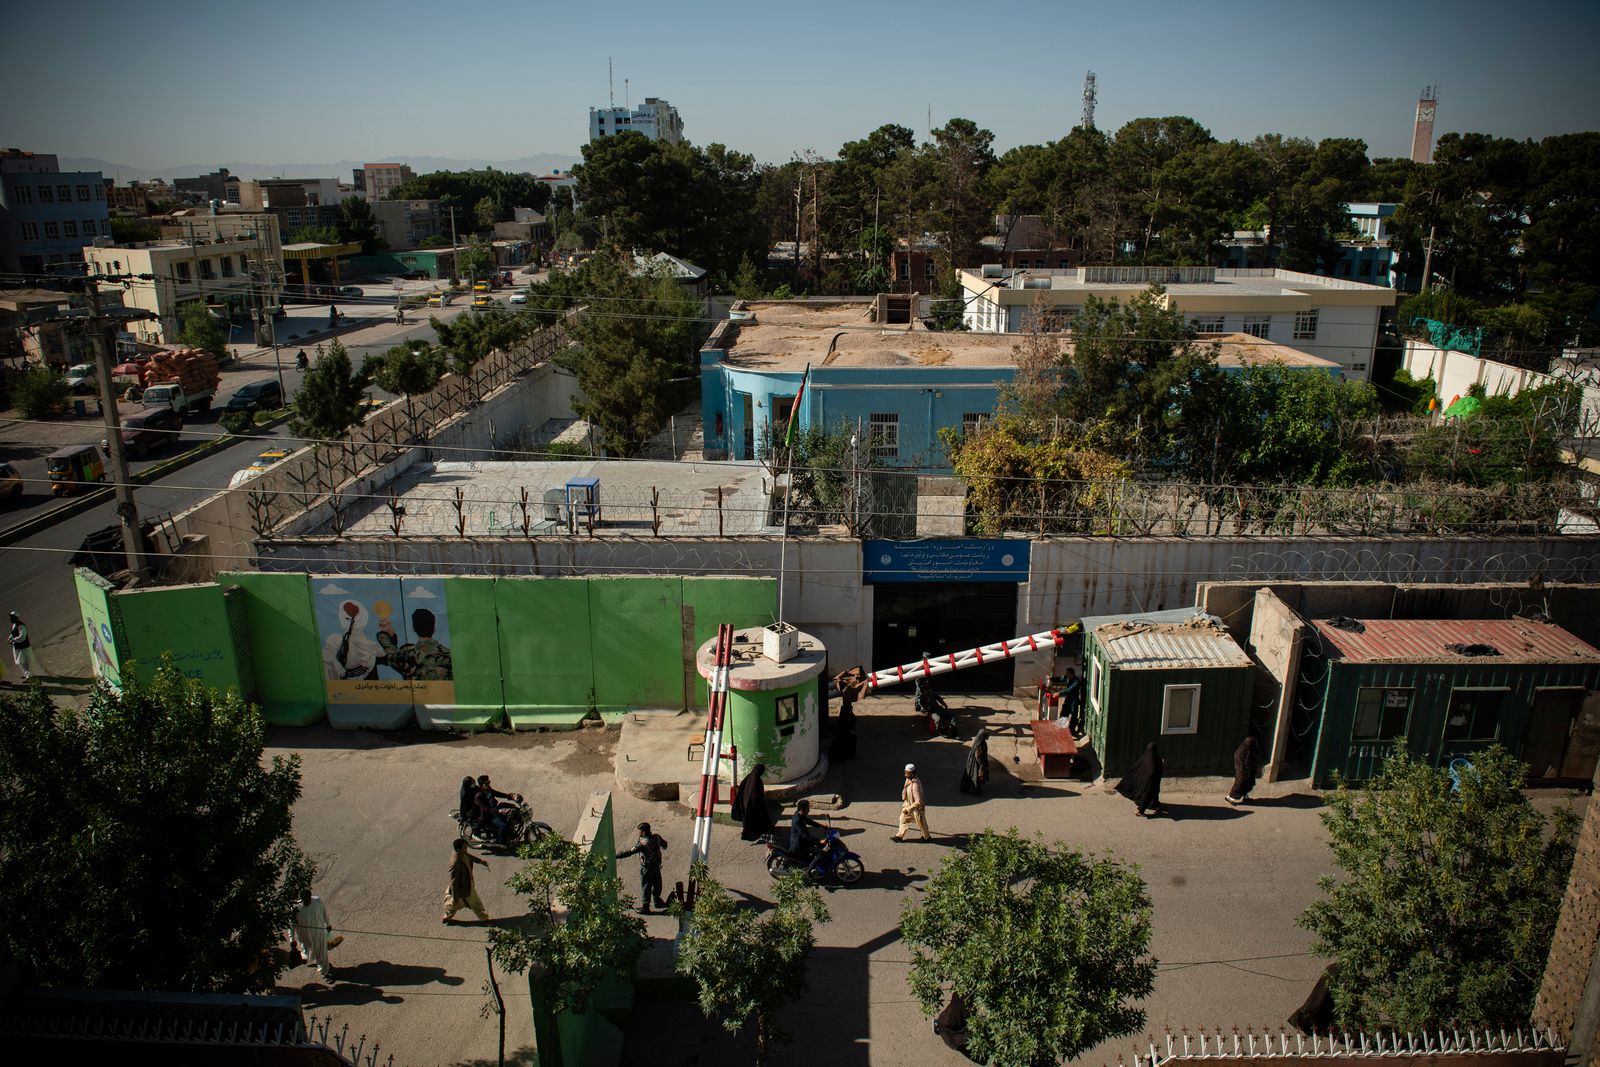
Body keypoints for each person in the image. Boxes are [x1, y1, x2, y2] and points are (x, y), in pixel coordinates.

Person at [377, 607, 454, 681]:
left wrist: (387, 632)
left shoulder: (406, 653)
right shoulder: (449, 654)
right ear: (434, 629)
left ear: (414, 628)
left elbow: (390, 656)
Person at [617, 822, 668, 914]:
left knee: (646, 886)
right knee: (657, 884)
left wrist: (616, 856)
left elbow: (629, 852)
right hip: (656, 866)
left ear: (643, 832)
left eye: (639, 831)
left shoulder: (642, 844)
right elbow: (665, 845)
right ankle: (657, 902)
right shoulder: (656, 837)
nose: (638, 833)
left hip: (647, 868)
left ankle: (645, 907)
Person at [291, 889, 336, 983]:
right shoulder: (296, 908)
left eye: (307, 900)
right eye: (303, 900)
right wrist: (292, 940)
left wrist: (328, 924)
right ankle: (303, 958)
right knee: (306, 955)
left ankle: (324, 973)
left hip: (319, 934)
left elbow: (324, 913)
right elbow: (291, 925)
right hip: (305, 938)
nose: (305, 902)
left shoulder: (317, 901)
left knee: (322, 955)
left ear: (310, 897)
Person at [442, 838, 490, 922]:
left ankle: (446, 917)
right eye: (465, 847)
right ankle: (484, 918)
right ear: (458, 849)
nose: (466, 849)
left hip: (466, 884)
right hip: (464, 886)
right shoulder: (456, 863)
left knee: (455, 905)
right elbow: (454, 882)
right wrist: (456, 898)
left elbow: (468, 856)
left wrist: (480, 861)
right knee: (475, 903)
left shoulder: (462, 853)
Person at [1116, 743, 1166, 817]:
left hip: (1152, 781)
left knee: (1154, 793)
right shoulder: (1154, 758)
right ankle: (1139, 811)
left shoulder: (1146, 757)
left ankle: (1155, 805)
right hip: (1150, 782)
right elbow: (1153, 771)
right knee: (1147, 795)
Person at [731, 763, 776, 842]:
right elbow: (759, 796)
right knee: (759, 819)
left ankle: (745, 829)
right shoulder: (758, 781)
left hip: (744, 802)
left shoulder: (748, 776)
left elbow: (742, 786)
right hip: (752, 805)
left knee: (747, 818)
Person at [892, 763, 933, 842]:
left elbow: (918, 802)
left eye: (906, 772)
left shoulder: (915, 785)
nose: (904, 774)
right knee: (903, 819)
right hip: (909, 805)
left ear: (911, 773)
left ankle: (927, 837)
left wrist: (908, 809)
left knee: (921, 824)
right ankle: (899, 836)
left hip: (917, 809)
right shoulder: (908, 780)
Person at [787, 799, 825, 866]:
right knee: (821, 853)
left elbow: (808, 821)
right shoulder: (797, 820)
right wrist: (819, 841)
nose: (809, 810)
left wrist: (821, 826)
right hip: (799, 845)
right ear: (802, 810)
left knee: (821, 845)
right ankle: (809, 871)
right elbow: (805, 836)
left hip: (803, 840)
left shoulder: (800, 814)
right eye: (807, 809)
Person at [1227, 736, 1262, 805]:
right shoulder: (1240, 752)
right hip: (1243, 772)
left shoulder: (1249, 750)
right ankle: (1230, 797)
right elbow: (1240, 764)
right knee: (1240, 783)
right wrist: (1243, 772)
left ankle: (1245, 797)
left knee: (1248, 783)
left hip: (1248, 771)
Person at [9, 611, 43, 681]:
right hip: (17, 647)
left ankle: (29, 675)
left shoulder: (21, 626)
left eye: (12, 617)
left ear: (16, 618)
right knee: (21, 661)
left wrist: (14, 640)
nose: (10, 619)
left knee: (26, 661)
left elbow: (22, 636)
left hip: (23, 647)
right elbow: (14, 633)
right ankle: (26, 673)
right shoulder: (14, 625)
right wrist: (10, 637)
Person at [960, 728, 990, 795]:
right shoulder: (980, 745)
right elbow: (979, 756)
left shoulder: (981, 742)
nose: (988, 736)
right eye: (987, 735)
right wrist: (983, 765)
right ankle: (975, 790)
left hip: (974, 761)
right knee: (976, 775)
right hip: (977, 763)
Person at [1057, 667, 1084, 735]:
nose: (1066, 675)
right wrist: (1050, 679)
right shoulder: (1067, 678)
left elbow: (1069, 690)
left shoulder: (1076, 682)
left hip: (1073, 702)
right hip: (1068, 701)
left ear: (1072, 674)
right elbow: (1059, 678)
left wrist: (1059, 693)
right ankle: (1061, 730)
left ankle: (1072, 731)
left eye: (1067, 674)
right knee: (1063, 715)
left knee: (1073, 718)